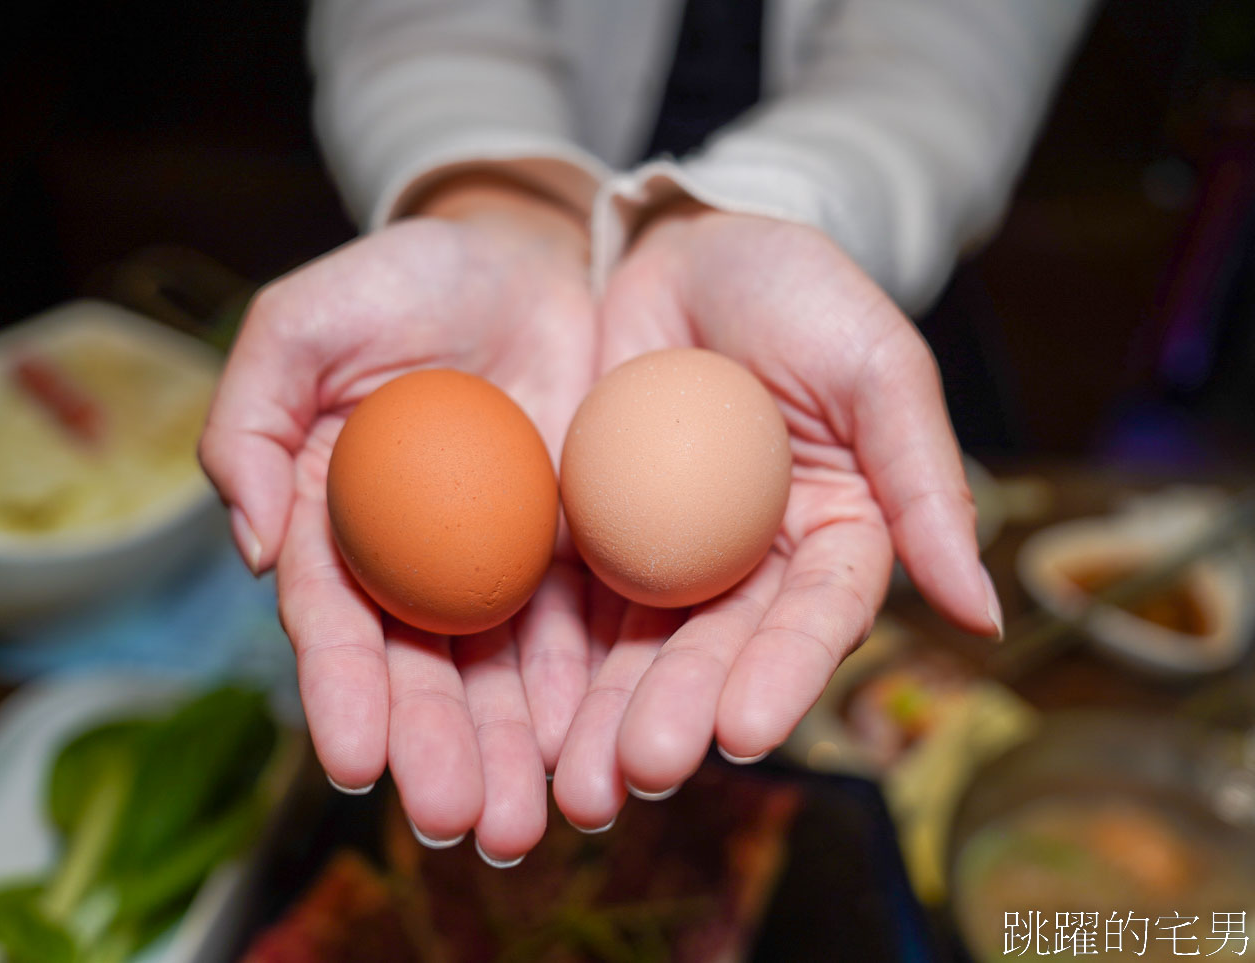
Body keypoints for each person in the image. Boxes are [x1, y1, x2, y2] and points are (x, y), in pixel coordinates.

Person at [199, 0, 1095, 868]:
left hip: (831, 265)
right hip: (525, 233)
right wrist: (485, 196)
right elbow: (417, 19)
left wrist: (762, 212)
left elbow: (950, 46)